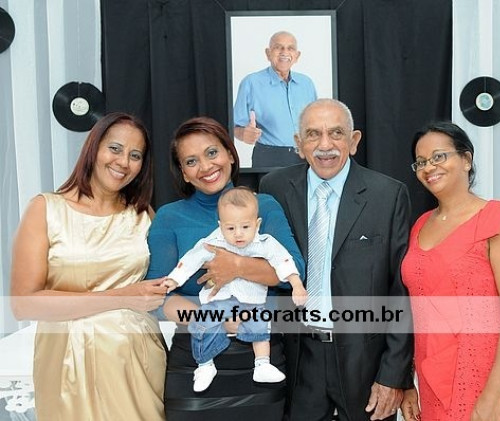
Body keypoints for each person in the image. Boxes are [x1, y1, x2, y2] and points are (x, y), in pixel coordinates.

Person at [259, 98, 414, 421]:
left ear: (354, 141)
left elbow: (401, 291)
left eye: (336, 133)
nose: (325, 145)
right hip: (297, 359)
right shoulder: (274, 188)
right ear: (299, 144)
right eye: (313, 134)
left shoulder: (388, 195)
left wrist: (393, 374)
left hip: (365, 362)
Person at [145, 116, 305, 421]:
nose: (205, 166)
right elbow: (156, 297)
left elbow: (293, 272)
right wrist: (216, 319)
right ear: (183, 173)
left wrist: (236, 266)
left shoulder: (264, 206)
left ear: (230, 154)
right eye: (191, 161)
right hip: (194, 360)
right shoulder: (169, 217)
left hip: (259, 359)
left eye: (212, 152)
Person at [10, 112, 168, 421]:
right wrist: (122, 297)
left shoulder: (143, 216)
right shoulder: (45, 209)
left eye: (135, 155)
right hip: (66, 365)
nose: (123, 162)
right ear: (93, 148)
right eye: (115, 148)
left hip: (136, 362)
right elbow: (22, 304)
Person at [400, 121, 500, 421]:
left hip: (486, 380)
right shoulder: (419, 225)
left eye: (438, 156)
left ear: (466, 159)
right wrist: (407, 381)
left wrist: (492, 397)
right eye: (421, 162)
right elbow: (414, 310)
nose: (428, 167)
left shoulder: (496, 220)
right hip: (431, 379)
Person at [162, 186, 307, 392]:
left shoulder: (265, 243)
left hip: (251, 301)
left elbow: (285, 261)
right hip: (218, 299)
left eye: (245, 227)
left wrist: (297, 286)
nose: (238, 234)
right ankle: (205, 365)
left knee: (260, 325)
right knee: (203, 324)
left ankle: (262, 364)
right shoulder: (213, 242)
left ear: (257, 224)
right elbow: (191, 259)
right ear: (220, 225)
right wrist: (174, 279)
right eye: (230, 228)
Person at [233, 30, 317, 168]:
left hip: (306, 156)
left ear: (297, 56)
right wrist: (243, 134)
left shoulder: (306, 83)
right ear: (268, 53)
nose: (284, 52)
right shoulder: (251, 83)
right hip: (269, 157)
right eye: (278, 47)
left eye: (290, 48)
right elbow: (234, 127)